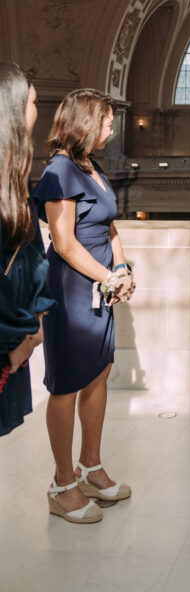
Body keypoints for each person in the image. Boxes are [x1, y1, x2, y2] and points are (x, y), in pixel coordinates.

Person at [33, 89, 135, 524]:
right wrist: (108, 277)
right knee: (67, 385)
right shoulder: (59, 171)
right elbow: (65, 243)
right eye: (107, 120)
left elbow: (108, 226)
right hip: (72, 292)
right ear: (86, 122)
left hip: (100, 288)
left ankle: (90, 467)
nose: (112, 127)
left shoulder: (91, 168)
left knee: (99, 372)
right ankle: (62, 484)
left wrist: (124, 266)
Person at [0, 63, 55, 437]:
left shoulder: (16, 176)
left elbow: (30, 258)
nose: (38, 111)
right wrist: (19, 337)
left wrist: (32, 330)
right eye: (34, 102)